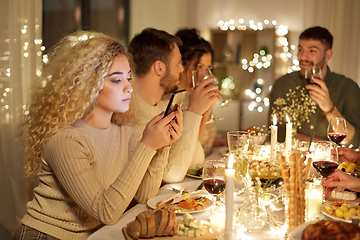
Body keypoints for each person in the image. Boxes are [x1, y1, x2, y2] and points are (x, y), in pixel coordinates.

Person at [14, 31, 182, 240]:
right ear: (87, 84)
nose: (129, 88)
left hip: (97, 234)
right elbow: (106, 212)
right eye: (116, 80)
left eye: (128, 78)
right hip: (48, 235)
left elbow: (144, 196)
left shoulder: (126, 128)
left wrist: (162, 145)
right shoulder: (65, 139)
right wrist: (147, 146)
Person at [127, 28, 219, 183]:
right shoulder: (132, 114)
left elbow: (197, 157)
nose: (181, 69)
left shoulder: (160, 105)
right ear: (159, 68)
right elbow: (172, 175)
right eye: (178, 63)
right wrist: (194, 112)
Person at [269, 26, 360, 148]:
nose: (302, 57)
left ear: (328, 55)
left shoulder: (348, 88)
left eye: (312, 51)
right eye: (300, 50)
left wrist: (330, 109)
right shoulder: (283, 84)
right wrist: (326, 144)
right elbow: (277, 135)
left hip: (332, 165)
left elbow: (353, 141)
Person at [171, 28, 227, 156]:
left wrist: (226, 141)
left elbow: (206, 141)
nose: (203, 74)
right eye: (199, 67)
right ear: (182, 63)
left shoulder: (194, 92)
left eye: (207, 68)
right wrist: (205, 112)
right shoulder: (176, 99)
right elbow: (191, 146)